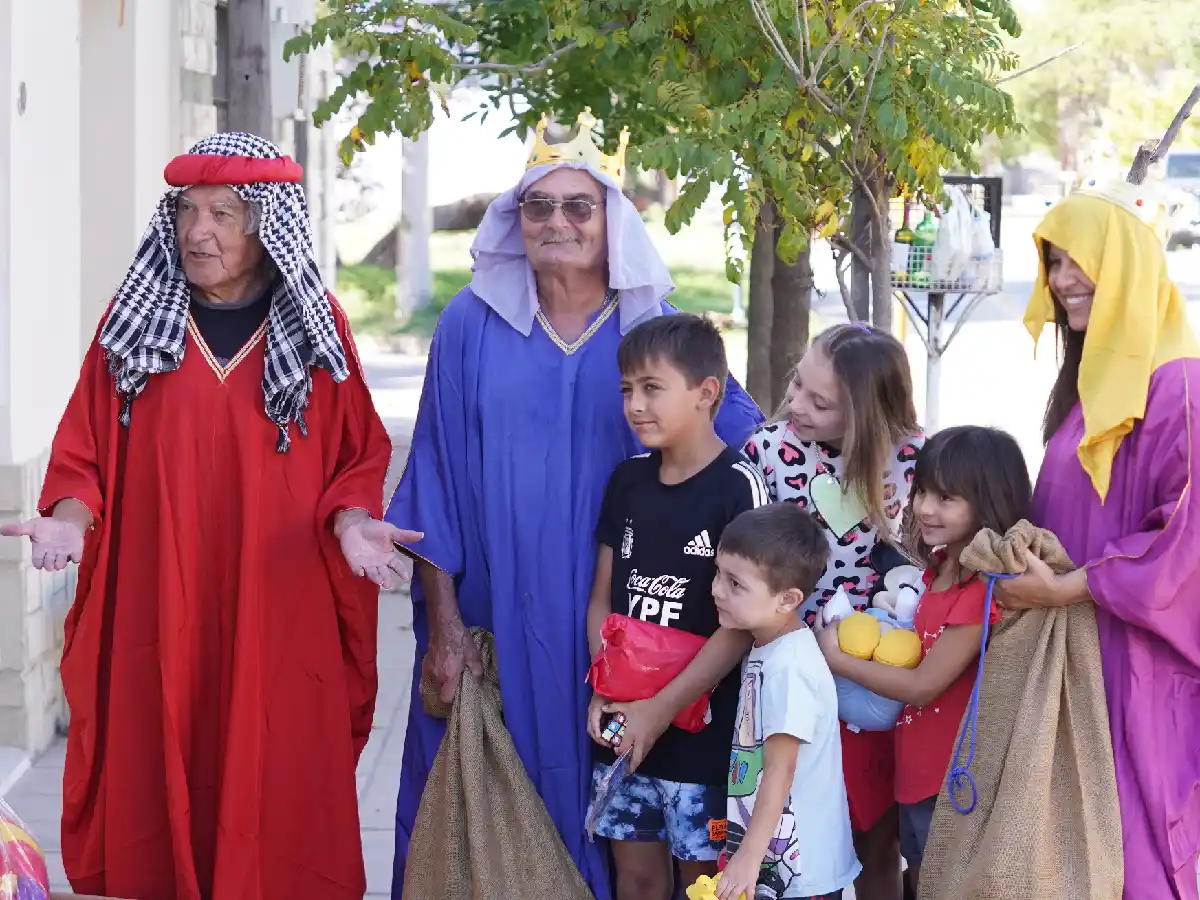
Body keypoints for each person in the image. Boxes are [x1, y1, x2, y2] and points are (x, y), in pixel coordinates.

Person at [0, 132, 417, 900]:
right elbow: (81, 456)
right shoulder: (132, 326)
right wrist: (67, 518)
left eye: (224, 213)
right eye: (189, 211)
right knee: (159, 775)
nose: (200, 232)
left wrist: (353, 525)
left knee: (279, 775)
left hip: (279, 604)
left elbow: (355, 458)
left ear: (266, 223)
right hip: (159, 600)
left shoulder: (316, 327)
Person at [385, 112, 763, 898]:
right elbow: (435, 485)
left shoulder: (654, 335)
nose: (556, 222)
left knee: (630, 836)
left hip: (629, 636)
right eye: (537, 207)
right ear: (514, 221)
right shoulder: (468, 326)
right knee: (489, 804)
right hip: (501, 620)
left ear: (611, 221)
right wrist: (446, 631)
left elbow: (745, 446)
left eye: (577, 206)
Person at [995, 179, 1200, 900]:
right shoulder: (1089, 386)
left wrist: (1070, 587)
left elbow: (1187, 540)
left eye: (1077, 259)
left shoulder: (1178, 389)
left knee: (1134, 858)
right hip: (1072, 655)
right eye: (1052, 262)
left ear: (1129, 269)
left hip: (1137, 667)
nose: (1060, 280)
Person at [584, 314, 769, 900]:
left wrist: (661, 709)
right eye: (626, 390)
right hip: (623, 727)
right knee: (635, 878)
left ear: (706, 393)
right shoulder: (626, 481)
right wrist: (606, 691)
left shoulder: (740, 487)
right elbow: (601, 601)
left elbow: (742, 626)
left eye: (652, 388)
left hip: (703, 737)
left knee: (704, 885)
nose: (635, 404)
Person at [741, 323, 923, 900]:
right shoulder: (768, 450)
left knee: (877, 838)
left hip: (878, 679)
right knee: (795, 834)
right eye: (797, 385)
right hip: (792, 673)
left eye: (819, 402)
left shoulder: (914, 461)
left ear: (868, 414)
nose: (795, 404)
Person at [813, 426, 1031, 892]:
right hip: (911, 776)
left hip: (952, 787)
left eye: (947, 497)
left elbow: (922, 685)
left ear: (991, 500)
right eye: (923, 491)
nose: (925, 508)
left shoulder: (981, 588)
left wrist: (836, 657)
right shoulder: (935, 570)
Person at [712, 503, 861, 900]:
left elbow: (781, 768)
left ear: (787, 599)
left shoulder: (789, 667)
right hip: (778, 863)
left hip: (803, 873)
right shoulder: (770, 648)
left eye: (735, 584)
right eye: (718, 574)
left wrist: (747, 857)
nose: (716, 590)